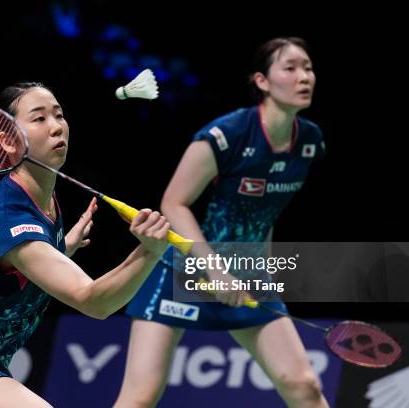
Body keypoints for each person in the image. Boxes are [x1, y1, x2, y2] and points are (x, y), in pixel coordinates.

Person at [0, 82, 170, 408]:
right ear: (8, 141)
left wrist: (61, 247)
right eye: (39, 119)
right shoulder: (10, 216)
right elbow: (94, 302)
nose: (56, 127)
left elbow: (15, 268)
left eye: (59, 115)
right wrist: (149, 252)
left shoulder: (42, 198)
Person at [114, 37, 330, 408]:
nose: (303, 76)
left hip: (244, 272)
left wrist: (259, 267)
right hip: (181, 271)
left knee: (304, 385)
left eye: (307, 67)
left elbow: (264, 211)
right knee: (140, 398)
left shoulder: (309, 141)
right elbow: (174, 203)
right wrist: (214, 270)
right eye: (290, 68)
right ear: (262, 81)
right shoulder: (227, 135)